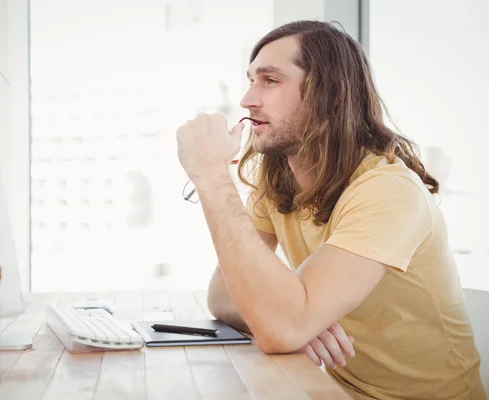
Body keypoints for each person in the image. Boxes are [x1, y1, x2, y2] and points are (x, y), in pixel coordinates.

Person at [175, 20, 485, 399]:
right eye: (251, 80)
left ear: (332, 94)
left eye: (270, 81)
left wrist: (210, 174)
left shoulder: (387, 191)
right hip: (332, 389)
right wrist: (299, 317)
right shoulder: (278, 179)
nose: (247, 99)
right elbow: (222, 295)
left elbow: (282, 327)